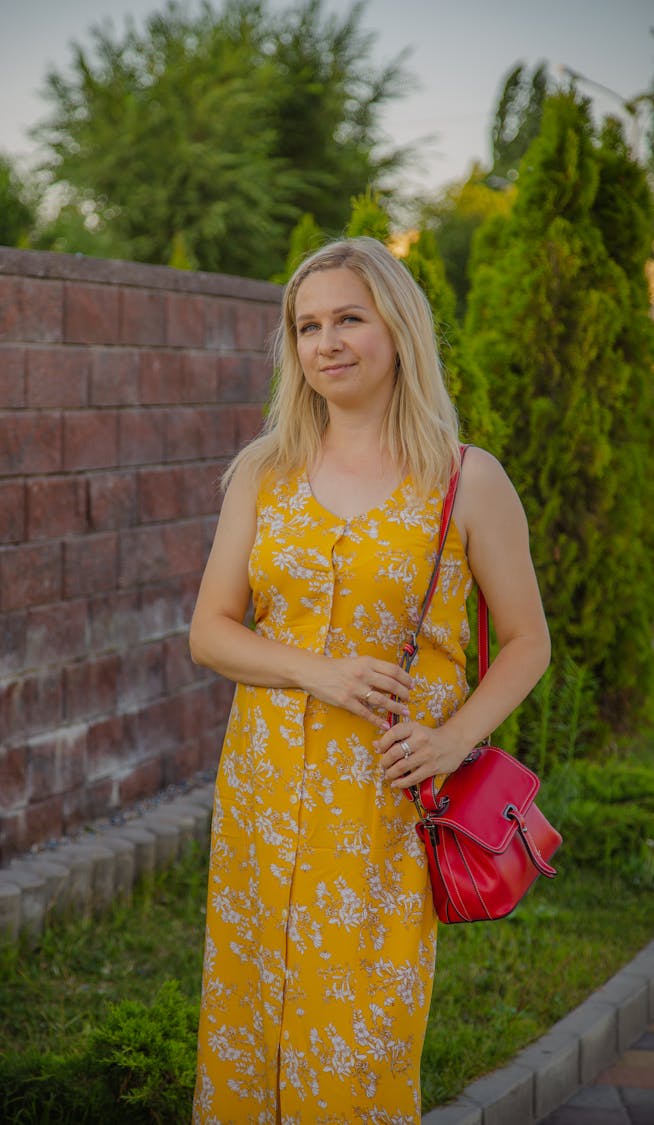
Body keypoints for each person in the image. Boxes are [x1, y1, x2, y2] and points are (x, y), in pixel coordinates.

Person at [189, 236, 550, 1124]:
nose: (327, 342)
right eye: (307, 326)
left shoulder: (466, 480)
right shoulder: (263, 474)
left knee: (356, 1044)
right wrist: (319, 673)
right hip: (263, 801)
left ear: (398, 326)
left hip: (385, 804)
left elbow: (528, 641)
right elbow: (210, 632)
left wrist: (455, 736)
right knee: (246, 1030)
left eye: (349, 317)